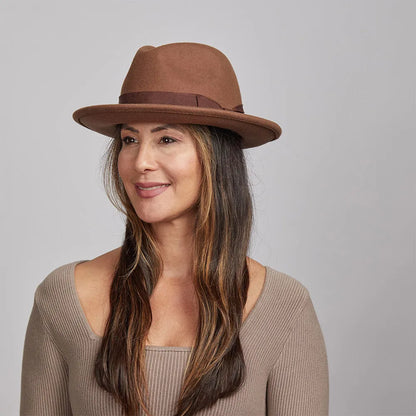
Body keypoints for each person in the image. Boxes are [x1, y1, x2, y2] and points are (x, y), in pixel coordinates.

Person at [20, 42, 329, 416]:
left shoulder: (283, 306)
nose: (141, 161)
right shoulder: (62, 298)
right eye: (129, 140)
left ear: (216, 156)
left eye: (166, 139)